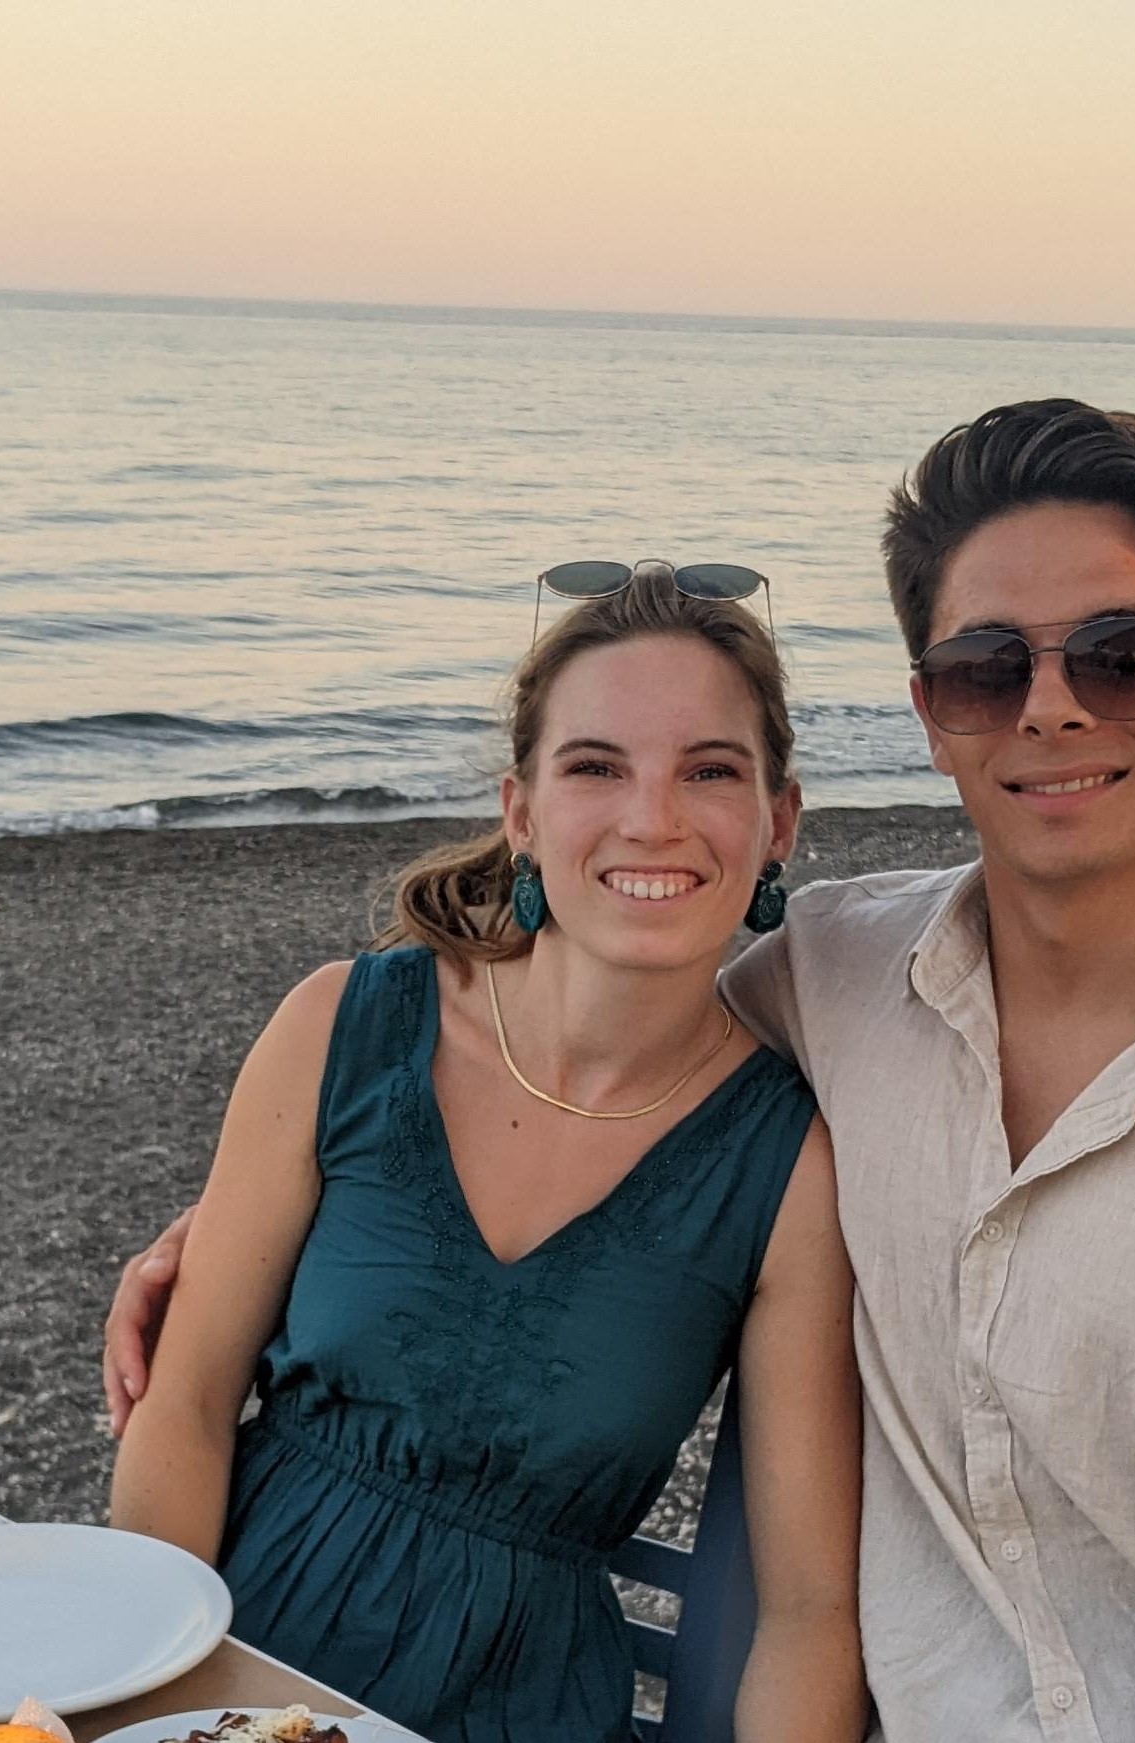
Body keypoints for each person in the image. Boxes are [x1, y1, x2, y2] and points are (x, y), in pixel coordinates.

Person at [112, 401, 1135, 1742]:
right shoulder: (846, 979)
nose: (1046, 708)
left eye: (1122, 654)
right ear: (933, 713)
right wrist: (252, 1225)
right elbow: (598, 1027)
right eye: (989, 667)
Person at [107, 565, 866, 1743]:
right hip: (227, 1665)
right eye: (594, 766)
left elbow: (810, 1607)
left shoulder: (785, 1169)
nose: (651, 817)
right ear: (521, 812)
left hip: (522, 1711)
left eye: (708, 770)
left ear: (776, 822)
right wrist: (139, 1698)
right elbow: (189, 1406)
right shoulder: (339, 1029)